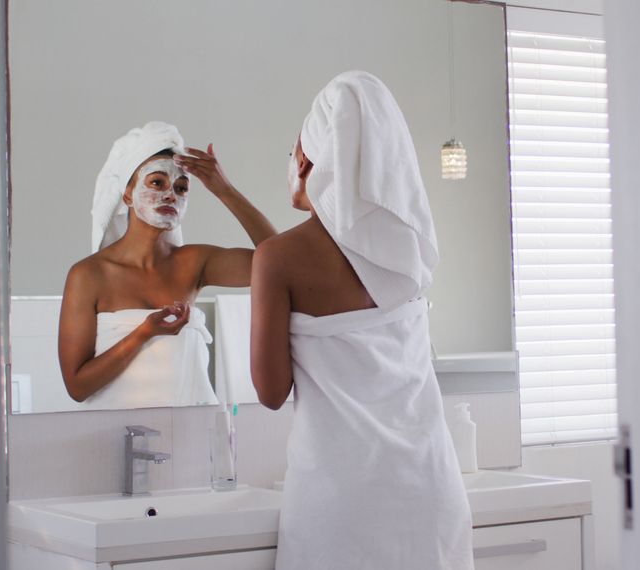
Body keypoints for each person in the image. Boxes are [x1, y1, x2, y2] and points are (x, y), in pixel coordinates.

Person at [250, 72, 474, 570]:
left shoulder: (278, 258)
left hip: (340, 501)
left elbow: (269, 392)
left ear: (306, 158)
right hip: (430, 491)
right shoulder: (411, 251)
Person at [58, 121, 276, 409]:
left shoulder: (196, 263)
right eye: (157, 182)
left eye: (182, 187)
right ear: (127, 194)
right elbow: (77, 386)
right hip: (114, 439)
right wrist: (144, 333)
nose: (171, 194)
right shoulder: (89, 275)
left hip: (190, 436)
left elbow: (279, 262)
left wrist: (225, 191)